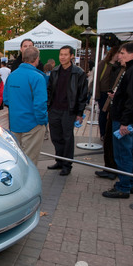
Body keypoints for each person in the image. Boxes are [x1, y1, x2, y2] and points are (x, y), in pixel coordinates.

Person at [102, 42, 133, 199]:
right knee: (130, 152)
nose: (119, 56)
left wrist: (125, 122)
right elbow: (132, 96)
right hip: (129, 119)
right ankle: (130, 182)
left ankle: (123, 186)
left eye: (123, 53)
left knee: (123, 153)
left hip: (125, 120)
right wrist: (118, 97)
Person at [47, 45, 88, 176]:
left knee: (67, 138)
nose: (62, 57)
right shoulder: (55, 71)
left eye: (65, 54)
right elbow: (49, 91)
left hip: (69, 110)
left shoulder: (79, 73)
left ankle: (67, 165)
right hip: (54, 109)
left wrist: (79, 113)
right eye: (61, 54)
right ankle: (59, 161)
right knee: (56, 137)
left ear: (71, 56)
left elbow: (83, 94)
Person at [3, 47, 48, 165]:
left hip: (15, 123)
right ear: (37, 59)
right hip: (33, 124)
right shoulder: (38, 77)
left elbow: (6, 100)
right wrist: (42, 122)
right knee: (30, 161)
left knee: (18, 159)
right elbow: (40, 104)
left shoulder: (12, 76)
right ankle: (28, 183)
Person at [95, 51, 125, 181]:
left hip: (119, 112)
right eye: (120, 53)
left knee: (115, 144)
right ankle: (109, 168)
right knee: (109, 140)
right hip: (112, 107)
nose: (120, 56)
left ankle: (115, 170)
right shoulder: (116, 68)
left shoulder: (130, 71)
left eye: (123, 53)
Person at [94, 46, 120, 140]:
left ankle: (109, 133)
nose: (119, 56)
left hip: (114, 92)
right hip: (103, 93)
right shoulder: (103, 63)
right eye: (118, 53)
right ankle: (103, 133)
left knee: (112, 114)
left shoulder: (119, 65)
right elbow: (96, 79)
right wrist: (97, 94)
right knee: (103, 113)